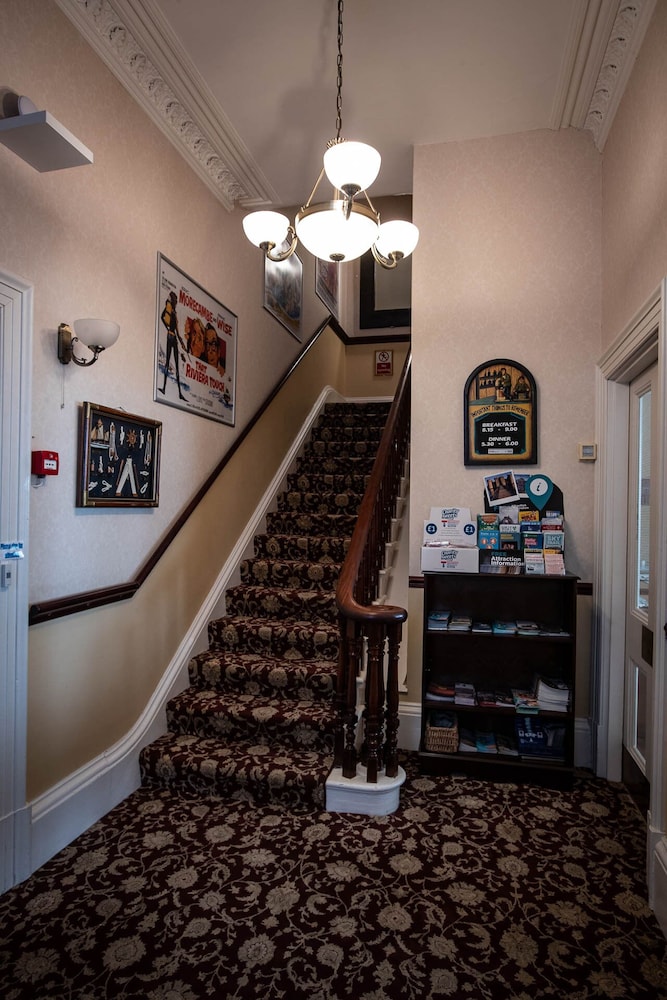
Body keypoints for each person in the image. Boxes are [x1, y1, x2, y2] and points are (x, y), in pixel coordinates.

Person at [158, 290, 186, 400]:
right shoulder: (169, 310)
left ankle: (176, 392)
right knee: (170, 363)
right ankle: (168, 389)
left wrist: (182, 343)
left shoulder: (173, 312)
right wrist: (168, 328)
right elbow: (162, 317)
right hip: (171, 338)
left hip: (172, 338)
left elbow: (177, 331)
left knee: (173, 364)